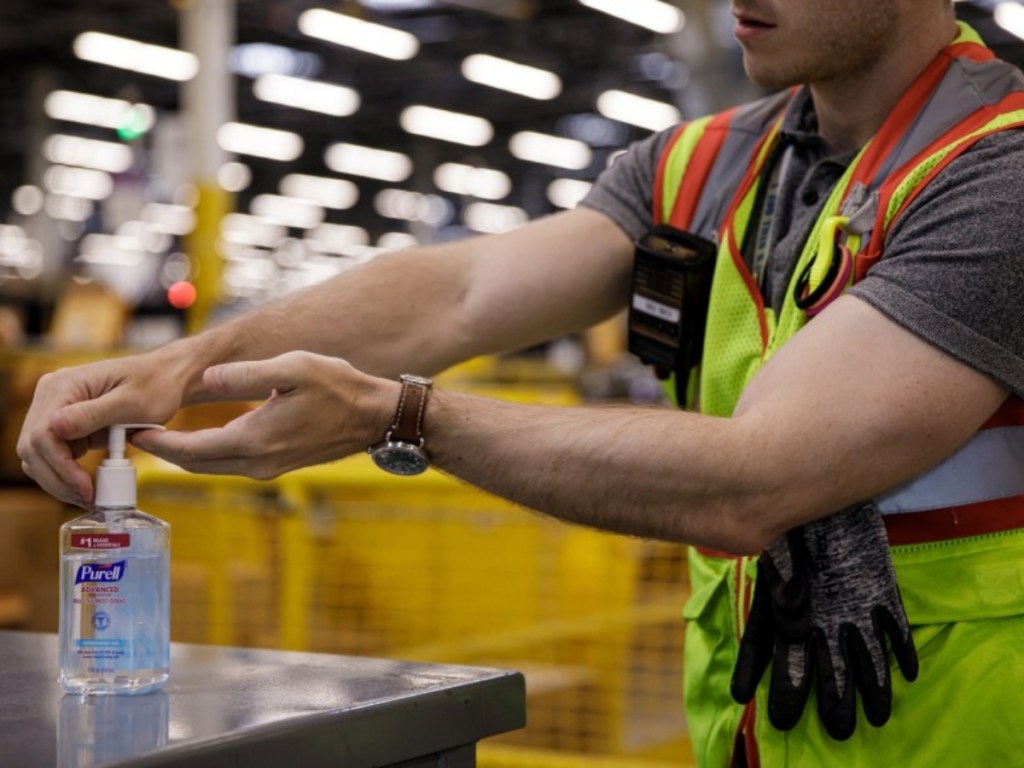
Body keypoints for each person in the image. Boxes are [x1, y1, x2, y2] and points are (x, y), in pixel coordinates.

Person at [19, 0, 1024, 765]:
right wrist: (178, 367)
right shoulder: (704, 166)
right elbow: (456, 294)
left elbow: (756, 478)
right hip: (757, 726)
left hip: (968, 725)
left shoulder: (999, 171)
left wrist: (398, 414)